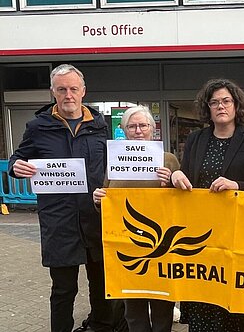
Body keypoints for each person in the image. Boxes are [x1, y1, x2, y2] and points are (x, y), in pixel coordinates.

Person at [8, 64, 113, 332]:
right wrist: (16, 167)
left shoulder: (100, 125)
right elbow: (17, 158)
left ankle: (100, 326)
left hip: (97, 218)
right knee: (63, 289)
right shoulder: (38, 127)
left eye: (74, 89)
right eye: (62, 89)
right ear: (52, 92)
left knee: (102, 286)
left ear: (83, 92)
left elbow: (112, 168)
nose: (68, 95)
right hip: (60, 220)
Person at [170, 78, 244, 332]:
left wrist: (237, 185)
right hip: (199, 236)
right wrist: (176, 176)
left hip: (237, 236)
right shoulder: (195, 139)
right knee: (202, 306)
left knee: (232, 309)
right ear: (207, 108)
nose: (220, 106)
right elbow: (187, 177)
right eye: (214, 102)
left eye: (226, 101)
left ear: (237, 105)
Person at [93, 105, 179, 332]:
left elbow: (183, 201)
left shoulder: (168, 159)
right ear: (124, 130)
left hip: (160, 243)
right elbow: (106, 196)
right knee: (133, 305)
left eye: (143, 125)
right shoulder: (115, 161)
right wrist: (98, 198)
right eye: (132, 126)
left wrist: (170, 182)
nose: (138, 130)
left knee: (162, 302)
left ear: (152, 129)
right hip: (126, 242)